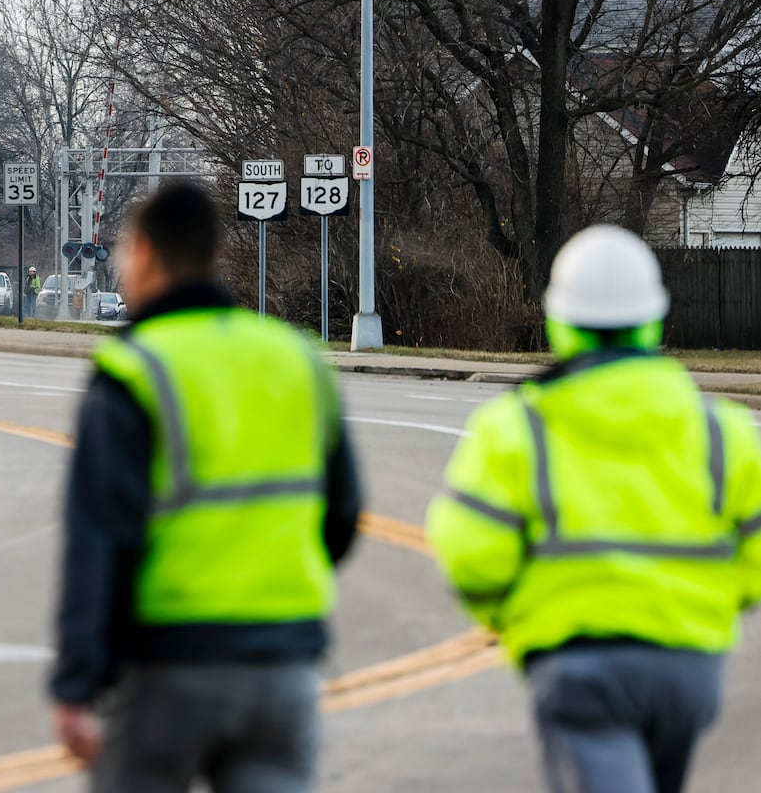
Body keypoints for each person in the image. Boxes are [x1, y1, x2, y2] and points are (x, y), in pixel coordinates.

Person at [49, 182, 362, 792]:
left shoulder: (134, 368)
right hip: (284, 663)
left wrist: (77, 683)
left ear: (143, 253)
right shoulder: (295, 358)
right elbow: (343, 512)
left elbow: (100, 538)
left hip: (170, 663)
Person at [427, 225, 761, 793]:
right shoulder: (722, 431)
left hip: (578, 666)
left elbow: (470, 557)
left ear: (559, 323)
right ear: (654, 320)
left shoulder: (518, 427)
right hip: (690, 668)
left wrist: (515, 624)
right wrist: (710, 606)